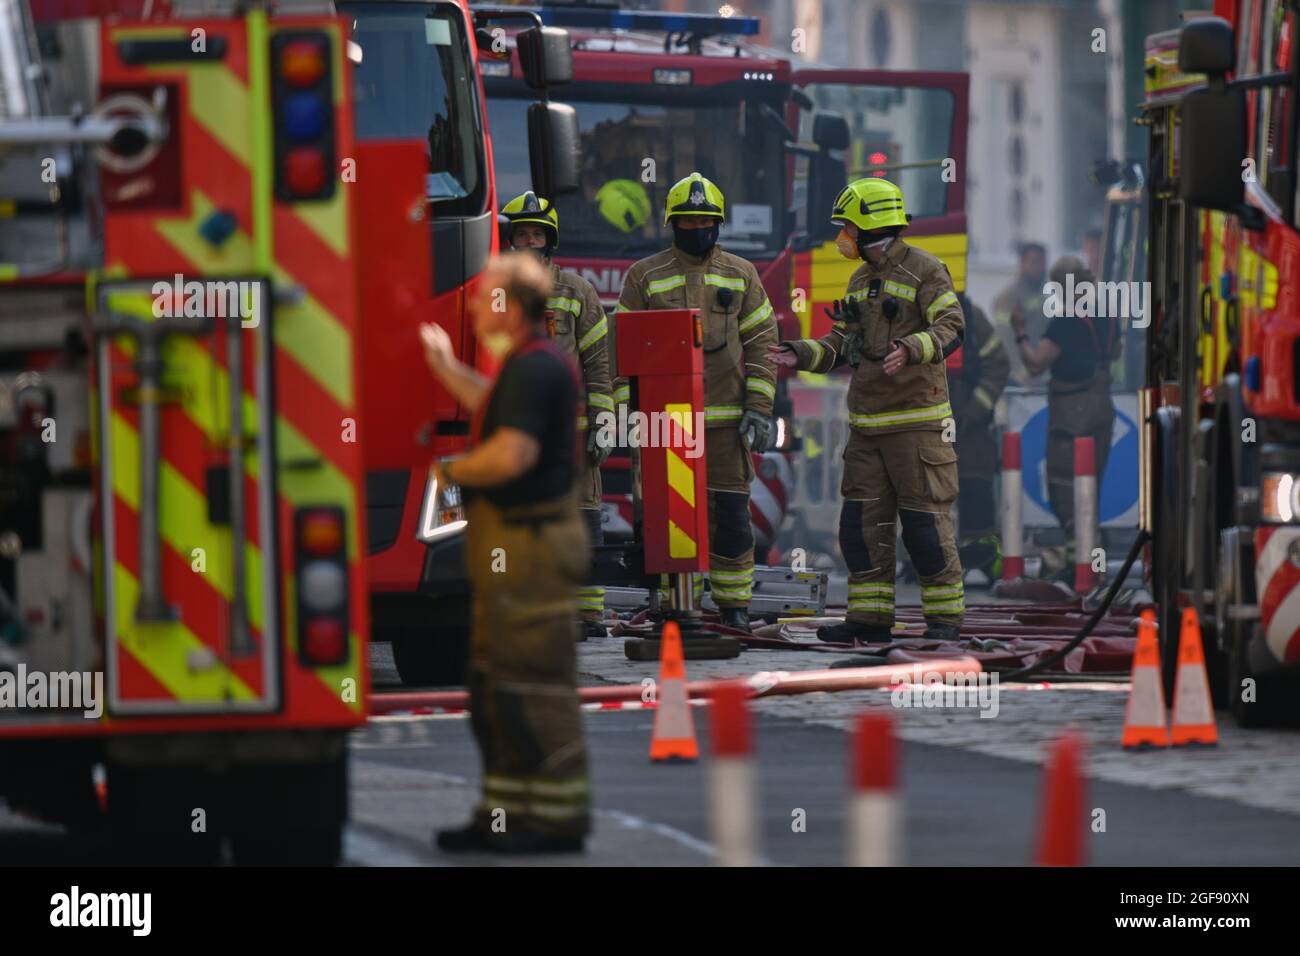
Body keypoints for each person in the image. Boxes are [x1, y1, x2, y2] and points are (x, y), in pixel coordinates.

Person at [420, 252, 590, 855]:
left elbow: (511, 454)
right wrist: (445, 369)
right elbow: (495, 405)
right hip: (515, 546)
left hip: (530, 547)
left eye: (483, 296)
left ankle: (554, 818)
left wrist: (449, 471)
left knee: (531, 684)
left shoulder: (536, 368)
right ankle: (506, 813)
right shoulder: (526, 366)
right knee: (493, 683)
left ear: (509, 307)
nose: (472, 303)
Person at [769, 178, 966, 643]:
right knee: (860, 528)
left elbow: (952, 325)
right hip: (867, 430)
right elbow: (844, 343)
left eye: (847, 227)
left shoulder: (926, 270)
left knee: (923, 528)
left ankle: (944, 622)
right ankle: (869, 619)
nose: (842, 236)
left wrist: (912, 348)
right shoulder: (860, 280)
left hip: (915, 426)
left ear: (869, 227)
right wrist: (802, 354)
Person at [615, 172, 778, 633]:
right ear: (672, 224)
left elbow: (764, 342)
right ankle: (673, 605)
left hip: (727, 425)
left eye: (705, 220)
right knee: (667, 520)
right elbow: (620, 350)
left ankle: (733, 608)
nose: (696, 227)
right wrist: (630, 417)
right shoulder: (644, 276)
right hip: (664, 424)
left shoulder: (742, 274)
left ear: (719, 223)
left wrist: (759, 409)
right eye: (687, 220)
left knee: (730, 516)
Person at [501, 191, 613, 639]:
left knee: (582, 518)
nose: (529, 240)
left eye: (537, 234)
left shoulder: (577, 292)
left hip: (573, 432)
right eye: (522, 234)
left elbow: (599, 363)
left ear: (550, 240)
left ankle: (587, 614)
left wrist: (604, 421)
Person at [1012, 255, 1118, 577]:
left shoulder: (1064, 323)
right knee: (1090, 489)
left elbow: (1034, 363)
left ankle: (1077, 566)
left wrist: (1019, 333)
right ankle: (1091, 566)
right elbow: (1115, 353)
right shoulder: (1106, 316)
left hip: (1072, 414)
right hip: (1103, 407)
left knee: (1065, 489)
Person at [948, 291, 1011, 583]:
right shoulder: (911, 311)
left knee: (975, 492)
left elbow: (998, 364)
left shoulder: (970, 316)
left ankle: (981, 559)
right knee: (921, 498)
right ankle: (925, 563)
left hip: (970, 430)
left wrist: (974, 411)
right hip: (925, 426)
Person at [993, 241, 1049, 386]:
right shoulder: (1008, 298)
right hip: (1020, 382)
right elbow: (1006, 339)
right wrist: (1021, 373)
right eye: (1034, 262)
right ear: (1022, 264)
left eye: (1043, 262)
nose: (1040, 267)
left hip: (1045, 378)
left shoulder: (1048, 294)